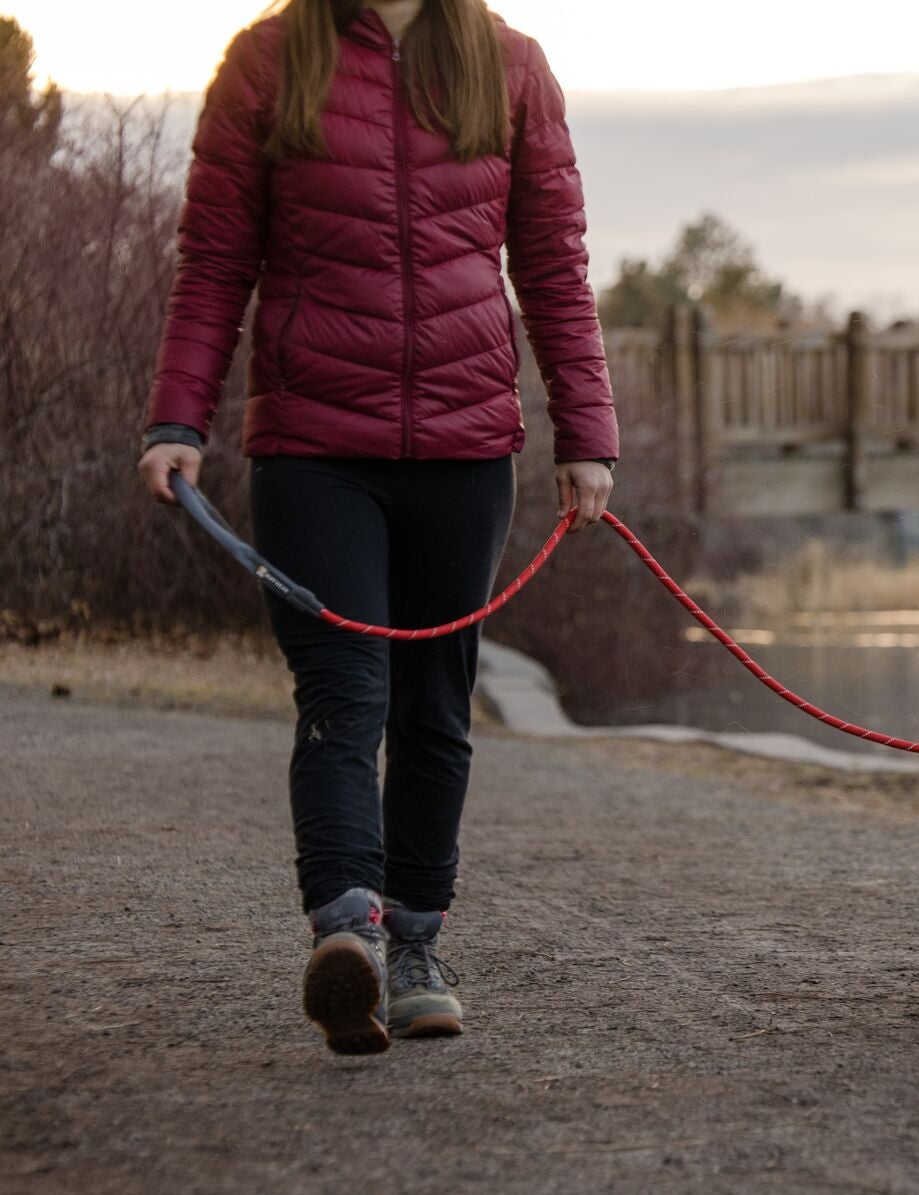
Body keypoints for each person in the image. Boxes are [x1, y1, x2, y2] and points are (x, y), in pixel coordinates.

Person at [135, 0, 618, 1056]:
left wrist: (586, 431)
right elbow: (216, 259)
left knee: (438, 701)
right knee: (345, 689)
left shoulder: (511, 66)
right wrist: (179, 416)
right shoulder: (268, 62)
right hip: (313, 445)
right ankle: (344, 934)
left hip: (465, 447)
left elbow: (551, 264)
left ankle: (414, 947)